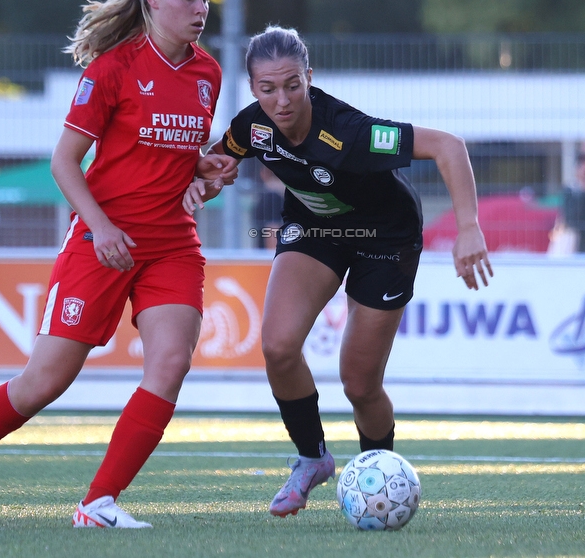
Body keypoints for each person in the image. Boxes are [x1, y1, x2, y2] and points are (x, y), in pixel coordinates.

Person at [0, 0, 236, 529]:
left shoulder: (209, 72)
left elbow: (174, 165)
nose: (201, 9)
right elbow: (64, 163)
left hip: (172, 246)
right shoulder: (112, 68)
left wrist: (205, 174)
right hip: (100, 243)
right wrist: (102, 227)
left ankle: (97, 503)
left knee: (170, 364)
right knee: (43, 383)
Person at [184, 26, 493, 518]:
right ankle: (312, 459)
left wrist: (468, 227)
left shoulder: (349, 132)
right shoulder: (252, 127)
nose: (281, 100)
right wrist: (213, 177)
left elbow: (449, 146)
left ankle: (382, 480)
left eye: (292, 85)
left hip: (384, 239)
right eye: (267, 89)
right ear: (252, 88)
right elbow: (224, 161)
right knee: (278, 347)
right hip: (315, 228)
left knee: (359, 383)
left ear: (309, 77)